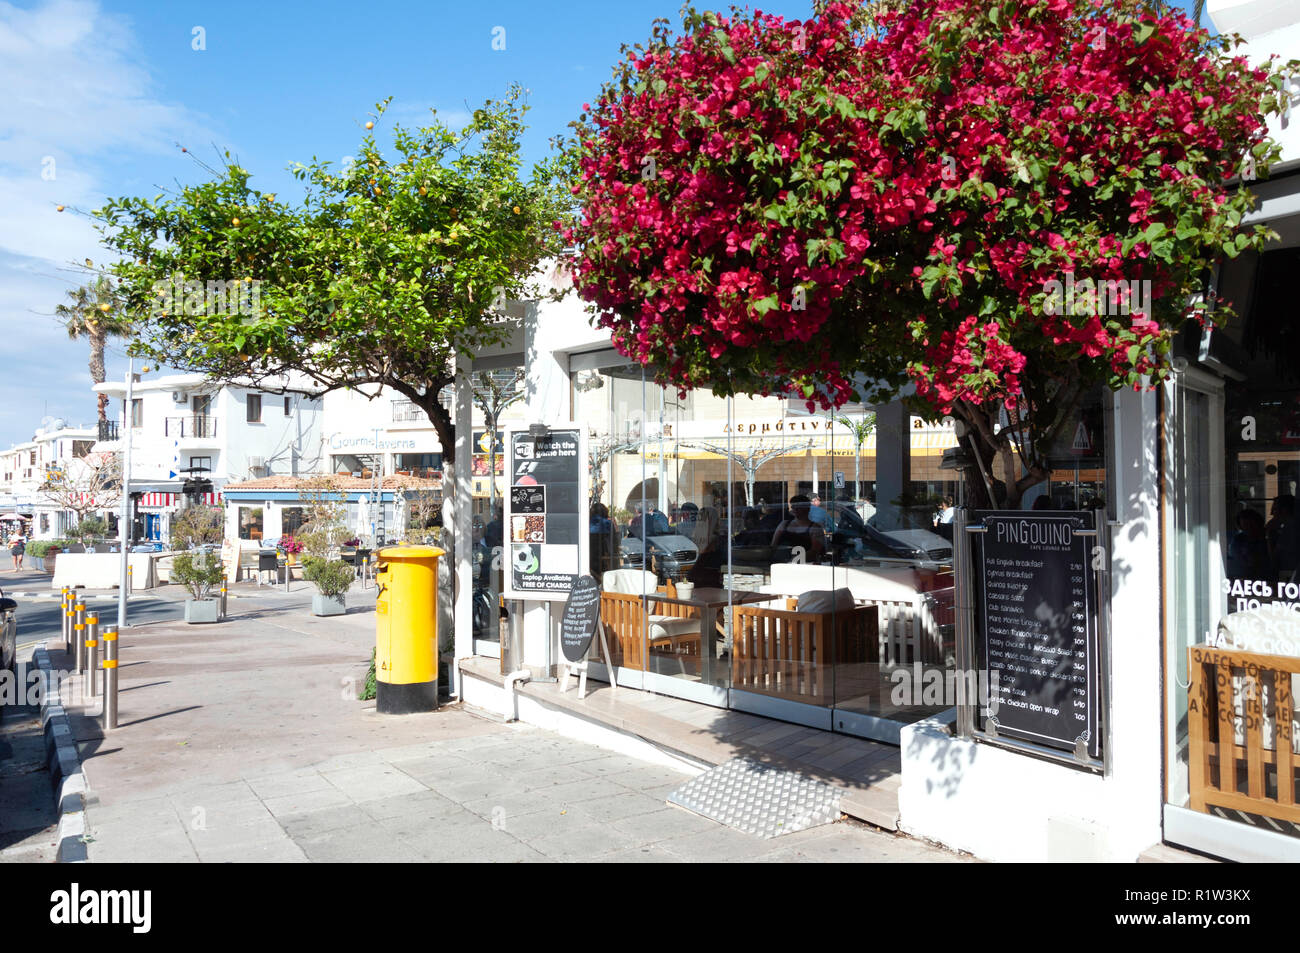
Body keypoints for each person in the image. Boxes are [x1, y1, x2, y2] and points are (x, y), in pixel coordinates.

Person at [771, 494, 825, 563]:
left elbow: (814, 552)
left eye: (799, 507)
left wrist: (794, 561)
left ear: (807, 508)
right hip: (781, 565)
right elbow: (773, 546)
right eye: (793, 506)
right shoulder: (784, 524)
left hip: (803, 567)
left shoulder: (815, 528)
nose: (795, 509)